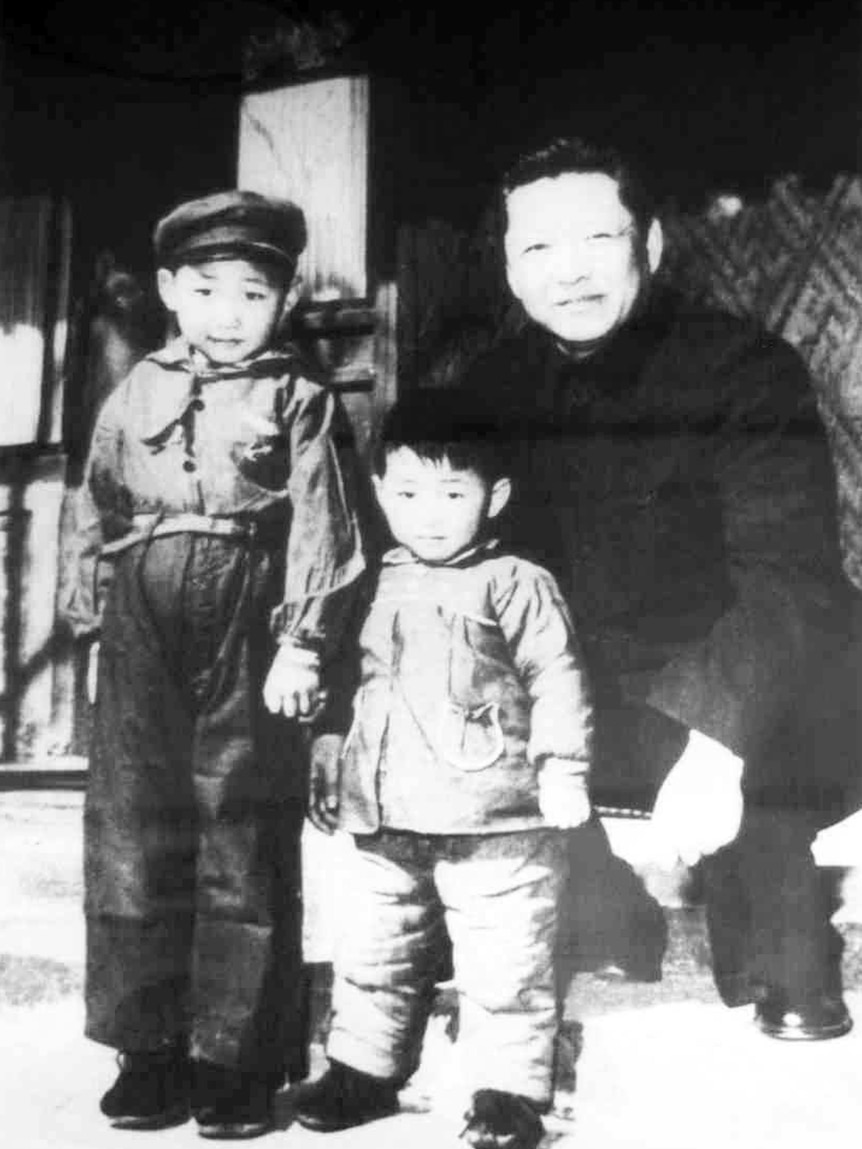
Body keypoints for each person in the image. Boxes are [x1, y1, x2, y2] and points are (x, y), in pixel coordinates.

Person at [459, 135, 854, 1040]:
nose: (570, 273)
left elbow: (791, 579)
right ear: (511, 271)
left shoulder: (744, 369)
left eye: (598, 240)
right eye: (538, 250)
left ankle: (786, 945)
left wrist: (718, 742)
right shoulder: (490, 386)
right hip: (578, 689)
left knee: (804, 665)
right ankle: (595, 909)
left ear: (653, 244)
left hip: (730, 681)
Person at [60, 189, 365, 1138]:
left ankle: (235, 1057)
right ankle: (146, 1049)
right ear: (168, 292)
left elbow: (328, 525)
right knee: (132, 830)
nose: (228, 312)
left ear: (286, 301)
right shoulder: (133, 389)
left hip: (249, 625)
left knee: (241, 831)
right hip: (142, 626)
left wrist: (304, 642)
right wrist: (88, 609)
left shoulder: (304, 400)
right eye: (206, 289)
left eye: (253, 293)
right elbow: (94, 497)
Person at [294, 390, 594, 1149]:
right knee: (371, 949)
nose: (429, 512)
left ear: (494, 497)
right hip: (386, 816)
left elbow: (557, 675)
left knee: (506, 960)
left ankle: (509, 1093)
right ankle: (363, 1070)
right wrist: (332, 748)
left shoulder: (517, 582)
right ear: (381, 492)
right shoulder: (373, 579)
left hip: (496, 818)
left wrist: (562, 767)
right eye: (408, 492)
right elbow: (352, 680)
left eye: (453, 492)